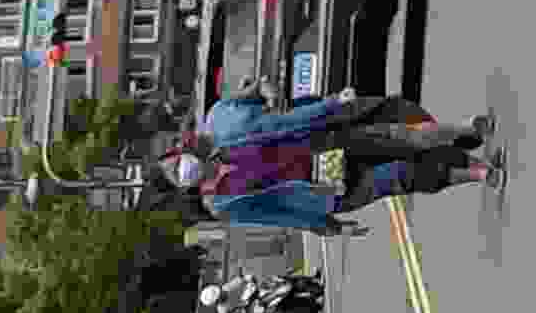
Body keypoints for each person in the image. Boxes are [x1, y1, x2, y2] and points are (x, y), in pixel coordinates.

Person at [164, 92, 503, 231]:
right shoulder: (224, 204)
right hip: (324, 189)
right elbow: (277, 215)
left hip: (324, 144)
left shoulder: (227, 141)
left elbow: (286, 122)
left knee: (400, 136)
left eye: (179, 163)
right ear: (186, 187)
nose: (186, 170)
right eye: (179, 175)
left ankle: (466, 129)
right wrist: (329, 226)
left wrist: (331, 104)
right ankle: (476, 172)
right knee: (399, 176)